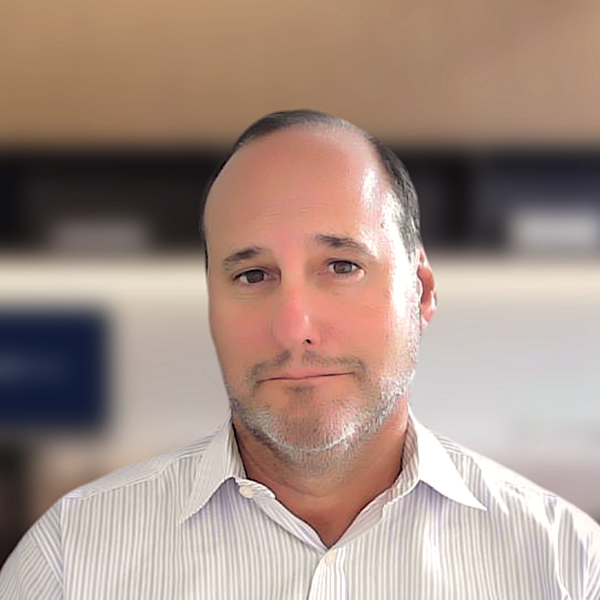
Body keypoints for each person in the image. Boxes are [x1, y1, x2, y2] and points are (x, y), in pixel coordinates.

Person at [1, 109, 599, 599]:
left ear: (421, 291)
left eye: (341, 266)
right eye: (253, 275)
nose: (294, 329)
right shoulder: (71, 559)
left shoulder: (567, 566)